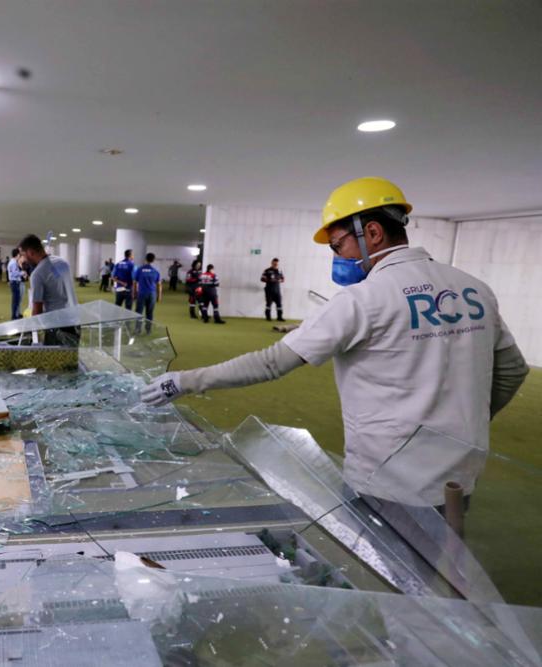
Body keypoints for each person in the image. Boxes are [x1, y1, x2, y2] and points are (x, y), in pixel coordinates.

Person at [142, 177, 529, 511]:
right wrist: (464, 425)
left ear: (372, 233)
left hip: (389, 476)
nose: (337, 256)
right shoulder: (473, 288)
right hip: (461, 467)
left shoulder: (364, 298)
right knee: (443, 564)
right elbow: (513, 369)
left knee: (393, 573)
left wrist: (183, 381)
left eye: (337, 245)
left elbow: (273, 362)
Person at [19, 234, 79, 345]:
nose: (24, 259)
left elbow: (37, 309)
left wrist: (31, 327)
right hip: (75, 320)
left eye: (23, 255)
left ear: (30, 252)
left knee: (55, 360)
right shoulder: (63, 263)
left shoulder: (37, 274)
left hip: (56, 327)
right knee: (72, 358)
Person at [133, 252, 162, 334]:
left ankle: (138, 329)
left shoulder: (140, 269)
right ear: (153, 260)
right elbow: (159, 285)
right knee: (149, 312)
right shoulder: (155, 271)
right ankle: (148, 330)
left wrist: (134, 293)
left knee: (139, 312)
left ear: (145, 259)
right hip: (152, 294)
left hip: (142, 293)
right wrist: (159, 296)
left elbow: (135, 282)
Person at [7, 249, 26, 320]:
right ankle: (14, 316)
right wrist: (22, 273)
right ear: (17, 255)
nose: (20, 256)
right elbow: (15, 273)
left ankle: (16, 314)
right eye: (19, 255)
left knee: (16, 300)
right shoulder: (13, 263)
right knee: (15, 300)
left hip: (14, 282)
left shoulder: (12, 262)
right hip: (15, 282)